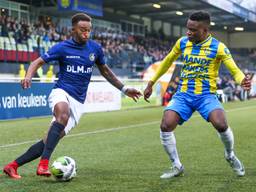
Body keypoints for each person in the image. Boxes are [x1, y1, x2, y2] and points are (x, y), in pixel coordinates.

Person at [3, 13, 142, 179]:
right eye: (83, 30)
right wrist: (28, 76)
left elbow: (105, 71)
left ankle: (12, 166)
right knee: (63, 113)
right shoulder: (62, 47)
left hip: (78, 103)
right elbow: (37, 62)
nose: (86, 33)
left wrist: (125, 89)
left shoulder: (95, 49)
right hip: (61, 91)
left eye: (89, 30)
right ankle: (43, 165)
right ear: (73, 30)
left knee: (48, 141)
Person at [143, 11, 251, 179]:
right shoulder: (182, 43)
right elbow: (167, 62)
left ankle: (230, 155)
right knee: (166, 125)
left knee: (221, 124)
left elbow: (235, 70)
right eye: (187, 28)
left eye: (193, 30)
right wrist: (151, 82)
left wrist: (242, 80)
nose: (188, 32)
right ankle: (176, 165)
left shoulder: (219, 47)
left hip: (206, 96)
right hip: (183, 95)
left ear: (205, 30)